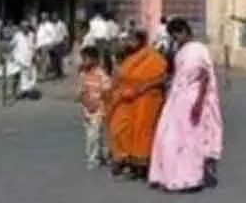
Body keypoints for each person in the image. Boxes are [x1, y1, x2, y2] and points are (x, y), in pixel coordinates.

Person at [148, 19, 223, 193]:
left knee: (189, 141)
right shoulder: (180, 50)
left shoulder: (198, 50)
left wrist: (198, 102)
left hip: (191, 100)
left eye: (177, 35)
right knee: (170, 138)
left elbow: (205, 77)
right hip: (176, 100)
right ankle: (169, 176)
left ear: (184, 31)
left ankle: (190, 179)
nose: (176, 39)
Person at [108, 28, 169, 180]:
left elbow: (162, 78)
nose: (128, 42)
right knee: (120, 129)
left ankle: (141, 165)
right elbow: (118, 76)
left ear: (140, 41)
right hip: (126, 100)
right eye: (128, 40)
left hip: (147, 100)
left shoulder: (154, 57)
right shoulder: (127, 56)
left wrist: (143, 88)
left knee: (142, 131)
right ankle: (123, 160)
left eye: (132, 40)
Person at [77, 45, 111, 169]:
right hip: (87, 109)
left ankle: (94, 158)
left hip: (99, 109)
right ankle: (96, 154)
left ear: (95, 60)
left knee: (95, 134)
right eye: (83, 59)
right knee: (90, 134)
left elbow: (106, 91)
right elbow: (80, 92)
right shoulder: (82, 75)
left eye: (87, 59)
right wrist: (86, 102)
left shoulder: (101, 74)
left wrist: (98, 103)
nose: (84, 61)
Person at [8, 21, 38, 99]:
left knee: (28, 76)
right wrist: (11, 55)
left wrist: (35, 56)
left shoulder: (32, 35)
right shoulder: (17, 35)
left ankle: (26, 92)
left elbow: (34, 47)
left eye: (27, 27)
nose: (25, 28)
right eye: (23, 27)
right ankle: (13, 92)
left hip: (28, 59)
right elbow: (11, 45)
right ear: (21, 28)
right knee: (16, 76)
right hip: (18, 59)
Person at [35, 12, 56, 80]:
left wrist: (51, 44)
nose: (42, 18)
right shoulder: (40, 25)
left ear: (46, 17)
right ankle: (47, 71)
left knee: (43, 60)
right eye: (41, 17)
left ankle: (42, 75)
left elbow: (53, 35)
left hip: (46, 44)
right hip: (39, 45)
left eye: (44, 17)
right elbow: (39, 35)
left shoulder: (49, 25)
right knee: (41, 60)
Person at [51, 12, 69, 78]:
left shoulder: (61, 24)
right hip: (52, 44)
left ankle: (60, 73)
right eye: (53, 16)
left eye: (55, 16)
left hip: (59, 44)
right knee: (53, 60)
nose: (54, 18)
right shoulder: (51, 25)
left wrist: (66, 44)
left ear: (57, 17)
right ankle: (57, 72)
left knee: (59, 59)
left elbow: (65, 34)